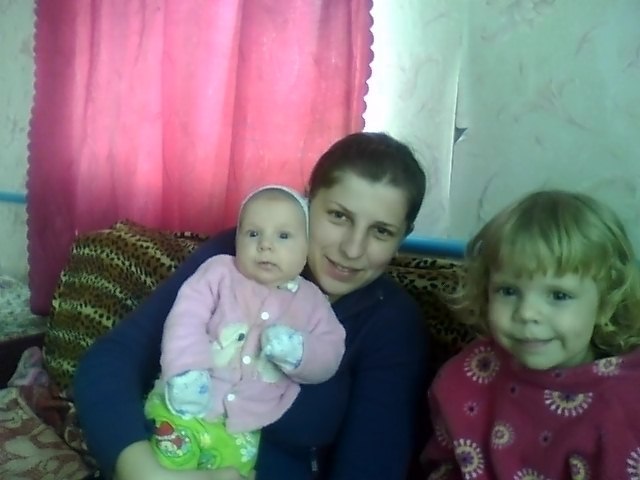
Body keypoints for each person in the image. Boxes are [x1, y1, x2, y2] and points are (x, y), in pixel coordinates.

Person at [74, 131, 430, 480]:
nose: (352, 249)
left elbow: (372, 463)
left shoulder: (391, 323)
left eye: (381, 231)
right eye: (339, 216)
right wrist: (144, 472)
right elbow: (114, 357)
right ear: (307, 202)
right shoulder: (238, 257)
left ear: (403, 236)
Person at [422, 190, 640, 479]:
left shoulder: (627, 402)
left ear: (605, 304)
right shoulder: (464, 378)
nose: (526, 313)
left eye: (559, 295)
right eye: (508, 291)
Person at [145, 185, 345, 475]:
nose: (265, 245)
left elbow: (331, 351)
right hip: (183, 405)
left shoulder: (312, 302)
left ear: (307, 246)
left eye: (283, 236)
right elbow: (185, 319)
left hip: (244, 428)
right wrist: (186, 370)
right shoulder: (219, 273)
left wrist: (300, 352)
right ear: (237, 238)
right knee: (168, 466)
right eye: (253, 233)